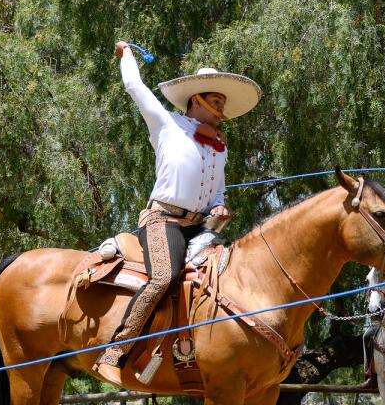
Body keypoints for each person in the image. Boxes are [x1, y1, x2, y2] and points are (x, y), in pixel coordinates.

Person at [94, 42, 262, 385]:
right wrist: (126, 54)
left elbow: (217, 189)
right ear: (196, 100)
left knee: (225, 279)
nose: (222, 109)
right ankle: (114, 354)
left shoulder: (219, 147)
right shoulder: (167, 125)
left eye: (223, 104)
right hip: (163, 221)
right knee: (164, 277)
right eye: (216, 102)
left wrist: (219, 205)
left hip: (200, 227)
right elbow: (134, 87)